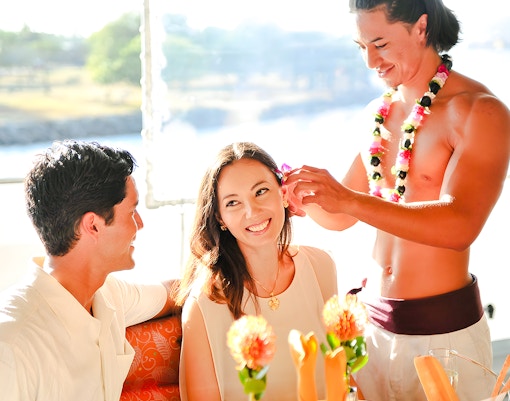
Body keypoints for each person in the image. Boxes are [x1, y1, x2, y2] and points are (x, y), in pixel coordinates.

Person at [284, 1, 510, 401]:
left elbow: (459, 226)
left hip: (442, 337)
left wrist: (347, 200)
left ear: (420, 28)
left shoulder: (480, 111)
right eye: (361, 47)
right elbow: (339, 217)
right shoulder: (380, 112)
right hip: (371, 328)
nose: (370, 61)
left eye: (380, 43)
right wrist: (298, 192)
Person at [0, 140, 179, 401]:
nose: (139, 225)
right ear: (93, 226)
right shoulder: (12, 343)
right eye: (132, 211)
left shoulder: (109, 295)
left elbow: (175, 291)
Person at [175, 142, 338, 401]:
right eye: (233, 203)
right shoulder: (205, 302)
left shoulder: (320, 267)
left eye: (260, 192)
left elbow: (340, 374)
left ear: (283, 193)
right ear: (220, 219)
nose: (252, 211)